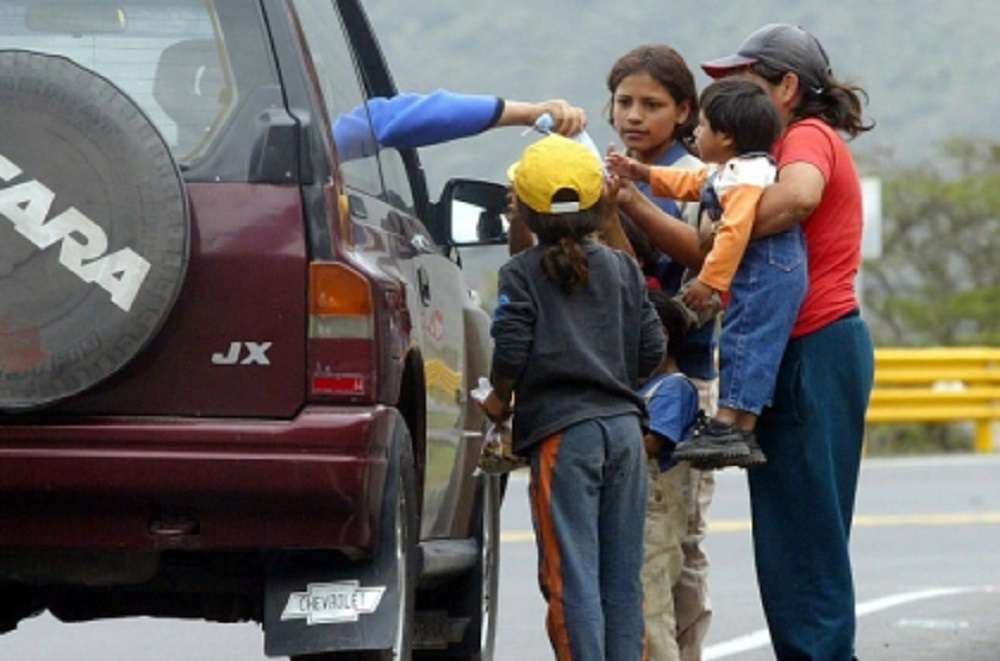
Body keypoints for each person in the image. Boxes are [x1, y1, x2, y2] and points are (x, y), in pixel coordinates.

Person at [701, 24, 875, 660]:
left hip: (812, 348)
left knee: (802, 542)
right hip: (819, 349)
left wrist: (722, 232)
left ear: (787, 87)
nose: (731, 102)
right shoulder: (785, 144)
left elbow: (800, 197)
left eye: (746, 83)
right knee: (802, 539)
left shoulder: (805, 136)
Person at [482, 134, 665, 661]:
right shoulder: (624, 268)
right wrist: (607, 369)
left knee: (571, 577)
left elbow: (511, 350)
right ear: (597, 204)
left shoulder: (520, 272)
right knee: (621, 574)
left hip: (565, 437)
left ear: (527, 211)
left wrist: (498, 400)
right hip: (627, 435)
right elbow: (650, 349)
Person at [607, 78, 808, 469]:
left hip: (768, 270)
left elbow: (734, 231)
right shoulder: (728, 170)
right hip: (763, 271)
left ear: (727, 137)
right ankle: (739, 425)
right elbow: (689, 183)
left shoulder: (747, 176)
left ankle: (732, 424)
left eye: (701, 126)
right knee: (743, 340)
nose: (694, 133)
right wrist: (640, 172)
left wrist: (709, 281)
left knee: (746, 342)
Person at [605, 44, 717, 661]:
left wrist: (624, 205)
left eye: (652, 104)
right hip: (626, 379)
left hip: (680, 378)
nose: (635, 116)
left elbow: (691, 270)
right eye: (624, 102)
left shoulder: (695, 179)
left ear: (683, 111)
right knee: (670, 540)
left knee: (673, 539)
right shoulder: (613, 173)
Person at [332, 89, 586, 159]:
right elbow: (393, 121)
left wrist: (529, 114)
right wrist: (528, 112)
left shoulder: (307, 146)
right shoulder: (314, 145)